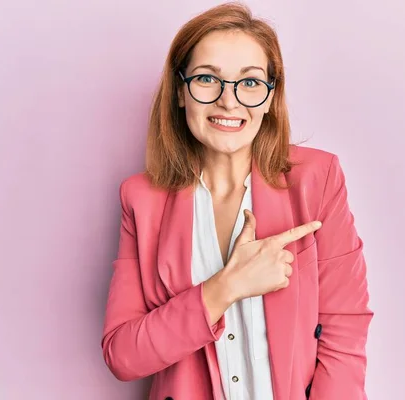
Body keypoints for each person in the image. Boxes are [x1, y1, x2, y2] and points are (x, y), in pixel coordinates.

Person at [101, 2, 373, 399]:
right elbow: (123, 355)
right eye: (208, 79)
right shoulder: (141, 199)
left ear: (269, 96)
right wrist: (225, 288)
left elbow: (345, 330)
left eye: (249, 83)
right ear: (181, 91)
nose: (229, 102)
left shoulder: (317, 178)